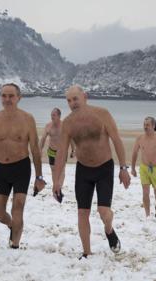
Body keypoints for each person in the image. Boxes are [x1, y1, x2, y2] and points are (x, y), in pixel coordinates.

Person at [52, 85, 131, 259]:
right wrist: (56, 181)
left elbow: (116, 140)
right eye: (69, 100)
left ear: (85, 97)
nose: (72, 103)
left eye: (75, 99)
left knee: (104, 212)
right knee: (82, 212)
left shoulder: (102, 114)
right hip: (83, 170)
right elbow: (62, 152)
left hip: (104, 167)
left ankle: (109, 230)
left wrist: (123, 168)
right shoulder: (68, 123)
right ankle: (87, 252)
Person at [0, 83, 46, 249]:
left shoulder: (28, 119)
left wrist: (39, 176)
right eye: (4, 96)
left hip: (21, 167)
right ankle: (12, 226)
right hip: (2, 169)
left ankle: (14, 245)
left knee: (18, 208)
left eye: (11, 96)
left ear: (19, 98)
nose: (7, 99)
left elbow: (35, 148)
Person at [131, 117, 156, 218]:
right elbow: (135, 153)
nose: (145, 127)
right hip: (144, 168)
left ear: (153, 126)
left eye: (148, 125)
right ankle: (147, 215)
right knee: (145, 193)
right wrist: (133, 168)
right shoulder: (140, 138)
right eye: (144, 124)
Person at [39, 108, 75, 190]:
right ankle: (55, 185)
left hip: (62, 152)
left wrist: (73, 150)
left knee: (61, 170)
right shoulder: (48, 126)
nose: (52, 117)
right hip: (51, 151)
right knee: (54, 170)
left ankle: (59, 187)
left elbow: (71, 139)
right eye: (51, 115)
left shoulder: (65, 126)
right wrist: (40, 150)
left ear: (59, 116)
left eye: (54, 115)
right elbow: (43, 139)